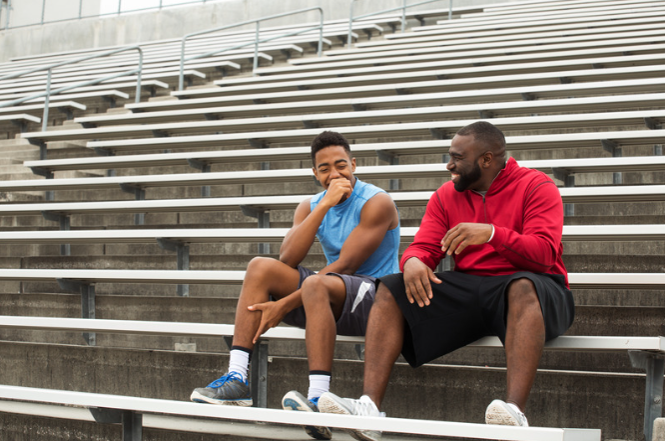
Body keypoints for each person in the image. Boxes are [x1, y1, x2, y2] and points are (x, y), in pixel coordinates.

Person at [317, 121, 575, 441]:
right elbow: (424, 246)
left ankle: (515, 412)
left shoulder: (537, 186)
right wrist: (412, 262)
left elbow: (544, 254)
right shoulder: (446, 195)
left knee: (522, 285)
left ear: (486, 159)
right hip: (472, 286)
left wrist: (492, 234)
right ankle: (369, 409)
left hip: (538, 287)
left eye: (457, 157)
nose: (449, 164)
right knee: (391, 287)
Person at [190, 130, 401, 441]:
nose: (335, 173)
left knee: (317, 282)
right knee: (260, 267)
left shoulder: (377, 201)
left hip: (377, 299)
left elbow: (346, 266)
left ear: (354, 164)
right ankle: (237, 379)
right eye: (325, 168)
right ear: (315, 174)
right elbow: (287, 257)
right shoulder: (312, 204)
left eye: (341, 165)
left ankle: (317, 398)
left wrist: (285, 304)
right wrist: (323, 206)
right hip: (330, 293)